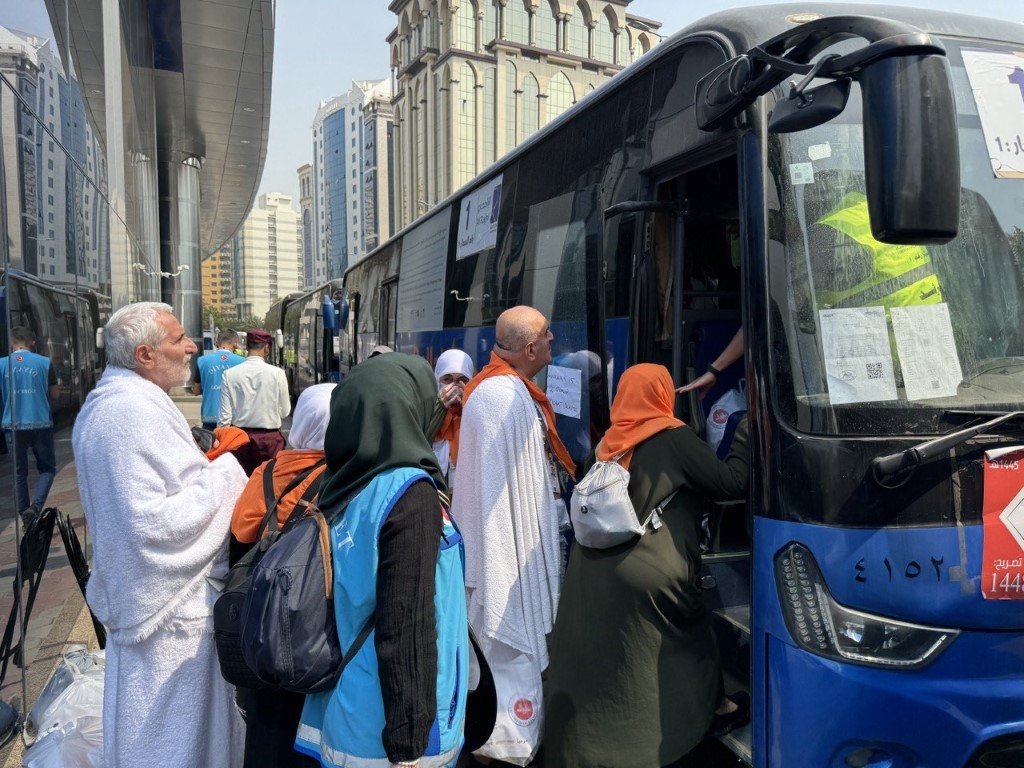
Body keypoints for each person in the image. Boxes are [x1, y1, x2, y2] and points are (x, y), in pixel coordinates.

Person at [544, 363, 751, 768]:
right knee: (694, 639)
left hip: (595, 572)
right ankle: (711, 713)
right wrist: (745, 430)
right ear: (661, 395)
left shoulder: (609, 440)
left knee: (615, 657)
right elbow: (731, 483)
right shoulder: (672, 436)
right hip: (655, 571)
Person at [72, 302, 247, 767]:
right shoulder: (130, 413)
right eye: (178, 340)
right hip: (168, 615)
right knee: (172, 742)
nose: (192, 347)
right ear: (145, 354)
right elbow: (152, 528)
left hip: (159, 608)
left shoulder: (117, 403)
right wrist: (227, 474)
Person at [295, 352, 468, 768]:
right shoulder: (409, 493)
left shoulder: (341, 481)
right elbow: (405, 623)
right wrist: (408, 744)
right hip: (389, 733)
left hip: (343, 708)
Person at [452, 305, 577, 765]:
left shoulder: (505, 390)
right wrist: (508, 562)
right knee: (506, 654)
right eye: (546, 334)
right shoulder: (503, 398)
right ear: (529, 348)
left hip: (509, 547)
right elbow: (498, 500)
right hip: (503, 557)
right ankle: (501, 749)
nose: (552, 340)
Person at [678, 191, 943, 397]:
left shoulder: (823, 241)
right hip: (932, 361)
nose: (777, 236)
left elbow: (767, 316)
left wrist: (715, 369)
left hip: (881, 375)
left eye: (775, 223)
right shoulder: (869, 210)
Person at [230, 382, 335, 768]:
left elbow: (240, 536)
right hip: (315, 636)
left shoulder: (267, 471)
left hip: (261, 632)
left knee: (266, 730)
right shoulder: (344, 479)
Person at [0, 326, 59, 518]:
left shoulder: (2, 365)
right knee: (47, 469)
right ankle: (35, 507)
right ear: (32, 342)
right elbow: (55, 394)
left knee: (19, 472)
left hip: (13, 424)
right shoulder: (44, 362)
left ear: (11, 342)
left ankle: (24, 513)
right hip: (41, 422)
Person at [219, 328, 291, 474]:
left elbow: (224, 418)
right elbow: (285, 412)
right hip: (269, 441)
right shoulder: (277, 373)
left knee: (242, 484)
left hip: (241, 439)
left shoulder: (229, 374)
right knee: (268, 485)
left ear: (246, 347)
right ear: (266, 348)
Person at [427, 349, 475, 491]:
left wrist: (468, 406)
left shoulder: (476, 408)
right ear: (437, 380)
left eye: (462, 380)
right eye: (447, 379)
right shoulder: (428, 407)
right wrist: (440, 407)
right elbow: (424, 440)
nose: (454, 385)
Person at [194, 329, 245, 429]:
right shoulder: (242, 362)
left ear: (217, 343)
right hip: (234, 419)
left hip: (209, 417)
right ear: (235, 344)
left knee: (210, 444)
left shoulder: (202, 361)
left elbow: (196, 390)